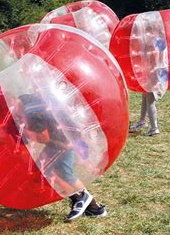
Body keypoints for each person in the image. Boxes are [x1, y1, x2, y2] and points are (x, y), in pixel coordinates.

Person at [17, 93, 106, 221]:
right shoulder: (27, 100)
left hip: (62, 141)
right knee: (61, 172)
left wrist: (27, 132)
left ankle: (81, 197)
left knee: (46, 171)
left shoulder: (31, 114)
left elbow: (44, 138)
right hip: (67, 135)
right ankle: (94, 208)